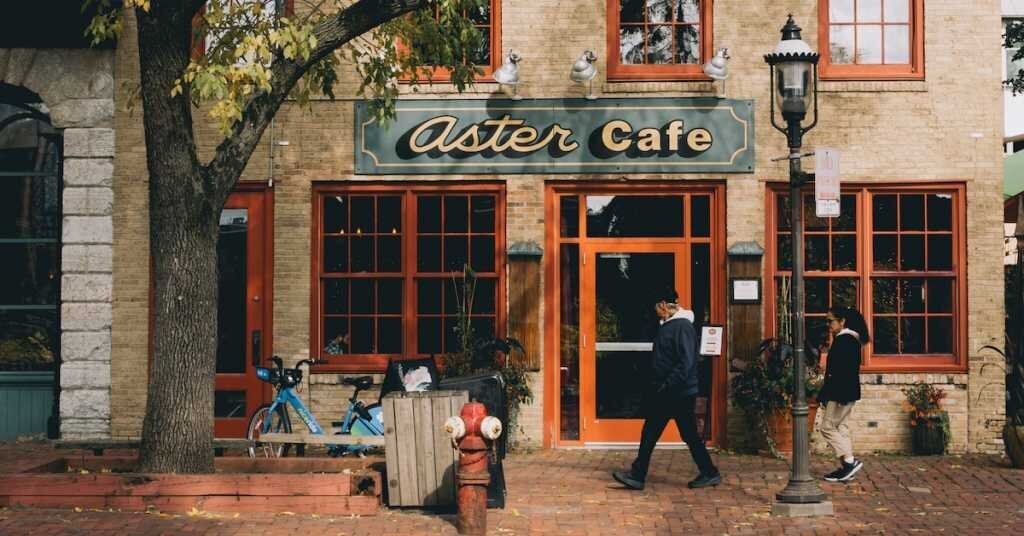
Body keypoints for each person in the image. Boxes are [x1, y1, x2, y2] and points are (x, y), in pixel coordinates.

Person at [612, 289, 721, 491]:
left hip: (676, 392)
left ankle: (639, 475)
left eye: (655, 307)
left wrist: (667, 383)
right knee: (665, 433)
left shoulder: (682, 327)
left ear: (663, 304)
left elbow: (687, 361)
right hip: (670, 391)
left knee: (662, 433)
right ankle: (708, 472)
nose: (655, 312)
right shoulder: (670, 326)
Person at [817, 305, 870, 482]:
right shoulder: (851, 340)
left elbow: (842, 372)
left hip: (840, 393)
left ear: (842, 321)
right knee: (841, 427)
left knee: (827, 428)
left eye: (830, 321)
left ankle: (849, 461)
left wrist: (834, 395)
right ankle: (847, 469)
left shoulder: (844, 341)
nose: (828, 325)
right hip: (847, 392)